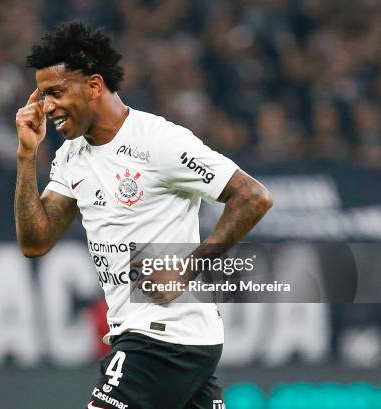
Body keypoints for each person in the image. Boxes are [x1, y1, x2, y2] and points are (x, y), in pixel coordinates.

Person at [14, 22, 272, 409]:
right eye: (42, 95)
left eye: (55, 93)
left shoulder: (158, 142)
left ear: (94, 86)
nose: (46, 107)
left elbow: (252, 196)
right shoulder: (72, 155)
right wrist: (27, 156)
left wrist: (185, 269)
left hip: (163, 336)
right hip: (170, 339)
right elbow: (35, 242)